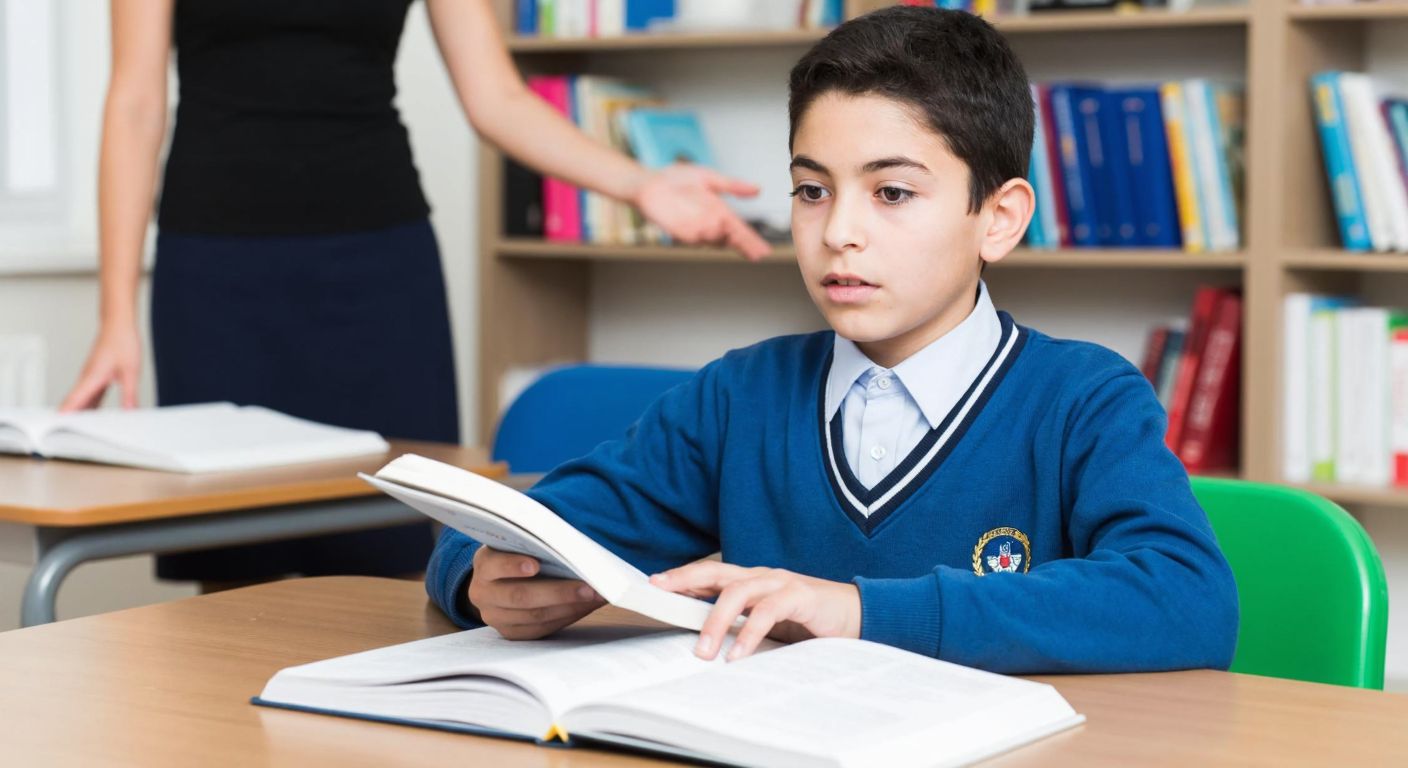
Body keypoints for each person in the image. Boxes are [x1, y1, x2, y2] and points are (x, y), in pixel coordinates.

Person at [426, 6, 1238, 673]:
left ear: (999, 218)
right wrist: (482, 580)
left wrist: (855, 609)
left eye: (891, 192)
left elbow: (1188, 600)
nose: (839, 231)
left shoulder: (1082, 399)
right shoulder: (739, 398)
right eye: (812, 190)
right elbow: (500, 528)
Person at [60, 0, 770, 592]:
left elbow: (496, 97)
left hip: (378, 265)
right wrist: (115, 314)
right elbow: (134, 104)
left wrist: (639, 185)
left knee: (390, 546)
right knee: (234, 569)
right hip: (214, 269)